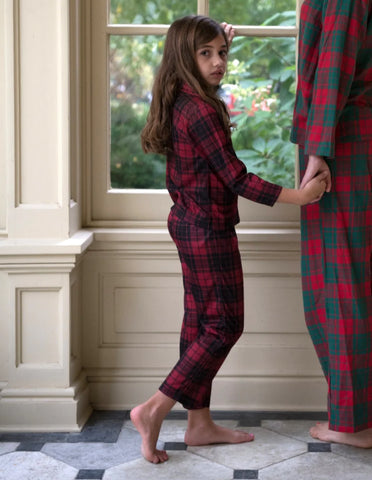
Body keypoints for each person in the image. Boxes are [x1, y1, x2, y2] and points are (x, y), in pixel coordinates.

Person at [130, 15, 327, 464]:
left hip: (188, 223)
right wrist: (300, 195)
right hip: (207, 230)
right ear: (186, 58)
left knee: (200, 323)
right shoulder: (200, 110)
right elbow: (235, 177)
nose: (219, 61)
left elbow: (202, 67)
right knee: (223, 326)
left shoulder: (185, 97)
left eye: (222, 52)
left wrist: (214, 45)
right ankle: (154, 409)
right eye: (207, 54)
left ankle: (198, 423)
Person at [291, 0, 372, 448]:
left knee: (340, 285)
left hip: (343, 145)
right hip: (348, 139)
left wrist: (317, 151)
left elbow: (333, 67)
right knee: (348, 281)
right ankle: (356, 417)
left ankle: (354, 424)